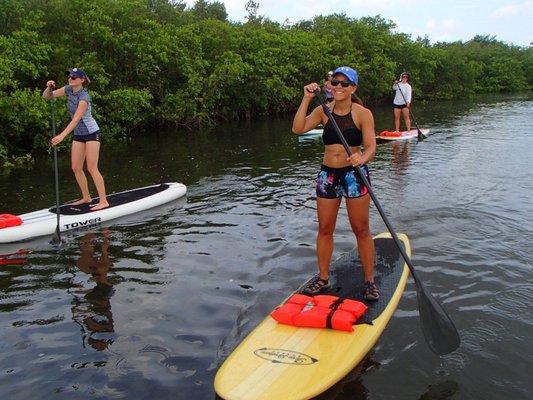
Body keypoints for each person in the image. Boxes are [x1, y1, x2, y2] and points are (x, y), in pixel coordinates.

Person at [292, 66, 379, 301]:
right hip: (328, 176)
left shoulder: (363, 113)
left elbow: (371, 146)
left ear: (353, 88)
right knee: (325, 229)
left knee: (361, 229)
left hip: (355, 175)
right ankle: (322, 277)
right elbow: (298, 128)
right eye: (335, 83)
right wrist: (306, 98)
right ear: (329, 85)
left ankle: (369, 280)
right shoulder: (323, 110)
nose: (338, 87)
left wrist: (362, 157)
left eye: (344, 83)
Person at [43, 68, 109, 210]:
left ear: (82, 80)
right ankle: (86, 197)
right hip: (79, 134)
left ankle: (103, 201)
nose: (70, 78)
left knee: (91, 168)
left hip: (91, 133)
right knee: (76, 168)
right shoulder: (67, 90)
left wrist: (61, 136)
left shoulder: (84, 97)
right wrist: (48, 88)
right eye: (69, 76)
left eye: (74, 77)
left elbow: (76, 120)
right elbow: (47, 97)